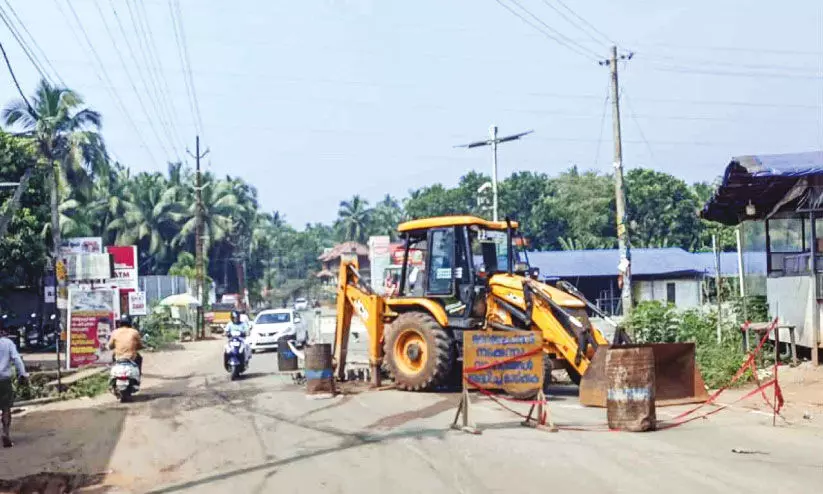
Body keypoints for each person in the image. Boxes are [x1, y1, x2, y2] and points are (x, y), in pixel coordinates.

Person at [0, 323, 28, 448]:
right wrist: (23, 374)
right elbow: (17, 359)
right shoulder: (8, 343)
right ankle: (5, 433)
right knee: (6, 408)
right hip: (4, 380)